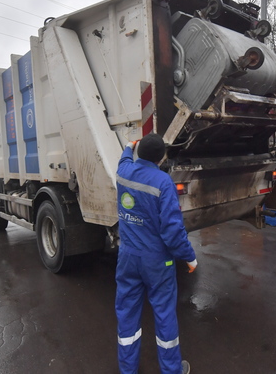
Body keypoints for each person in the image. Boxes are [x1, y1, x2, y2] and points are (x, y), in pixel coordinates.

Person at [115, 133, 197, 374]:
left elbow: (124, 158)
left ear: (139, 153)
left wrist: (130, 145)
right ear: (162, 158)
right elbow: (172, 231)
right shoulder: (163, 183)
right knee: (163, 314)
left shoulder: (123, 173)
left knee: (127, 314)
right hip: (157, 262)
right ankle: (172, 370)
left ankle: (128, 370)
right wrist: (190, 257)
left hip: (128, 257)